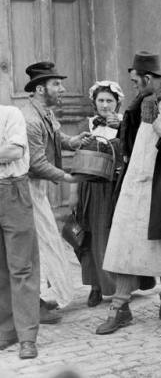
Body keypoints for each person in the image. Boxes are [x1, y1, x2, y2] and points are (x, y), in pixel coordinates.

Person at [96, 51, 161, 334]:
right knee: (125, 241)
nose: (133, 87)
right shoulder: (138, 105)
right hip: (135, 183)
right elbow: (128, 140)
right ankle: (120, 307)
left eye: (136, 82)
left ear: (149, 78)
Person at [22, 62, 92, 323]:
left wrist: (74, 141)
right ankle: (35, 304)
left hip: (37, 188)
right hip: (25, 189)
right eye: (56, 84)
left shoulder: (45, 113)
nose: (62, 89)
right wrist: (67, 177)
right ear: (41, 88)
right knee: (37, 246)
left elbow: (58, 136)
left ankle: (42, 298)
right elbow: (36, 164)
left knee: (47, 242)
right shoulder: (30, 120)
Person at [70, 81, 124, 307]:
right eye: (100, 101)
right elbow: (78, 161)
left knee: (111, 238)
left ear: (117, 103)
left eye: (109, 101)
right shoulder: (89, 125)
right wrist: (74, 193)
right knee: (88, 237)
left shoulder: (124, 125)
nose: (104, 105)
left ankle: (120, 286)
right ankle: (94, 285)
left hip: (112, 187)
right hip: (89, 188)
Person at [0, 105, 39, 359]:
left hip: (13, 191)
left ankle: (27, 337)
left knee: (21, 267)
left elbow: (14, 150)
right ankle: (6, 330)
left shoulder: (10, 114)